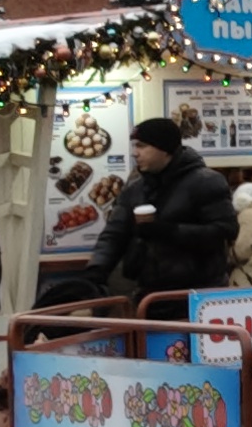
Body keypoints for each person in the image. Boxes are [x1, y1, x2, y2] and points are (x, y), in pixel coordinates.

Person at [77, 117, 235, 304]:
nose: (135, 153)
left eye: (142, 146)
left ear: (165, 149)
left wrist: (169, 231)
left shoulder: (205, 182)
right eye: (134, 146)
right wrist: (96, 271)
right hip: (149, 294)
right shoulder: (135, 189)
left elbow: (225, 230)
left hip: (198, 295)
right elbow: (114, 234)